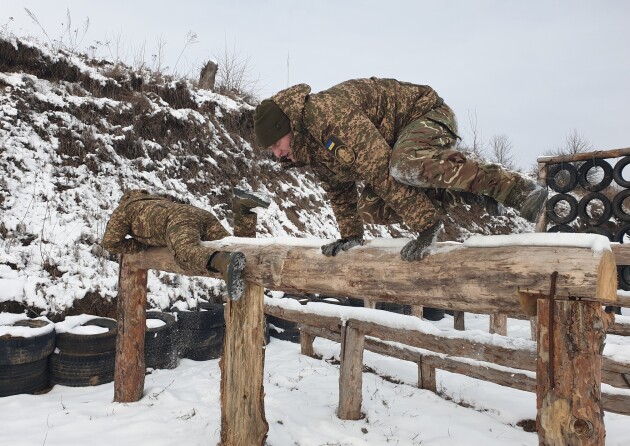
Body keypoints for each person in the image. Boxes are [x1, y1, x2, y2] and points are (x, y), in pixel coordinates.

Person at [253, 77, 547, 261]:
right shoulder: (309, 146)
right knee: (370, 208)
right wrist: (350, 235)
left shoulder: (327, 115)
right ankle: (474, 192)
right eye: (272, 150)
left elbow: (379, 168)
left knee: (402, 166)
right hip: (396, 150)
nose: (278, 153)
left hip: (425, 115)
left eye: (277, 144)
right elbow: (338, 189)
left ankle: (516, 189)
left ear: (288, 126)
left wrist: (425, 225)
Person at [101, 189, 246, 301]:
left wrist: (140, 245)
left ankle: (223, 261)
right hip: (199, 213)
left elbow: (110, 242)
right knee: (230, 244)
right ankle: (245, 211)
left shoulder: (124, 209)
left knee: (184, 252)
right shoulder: (155, 200)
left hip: (178, 219)